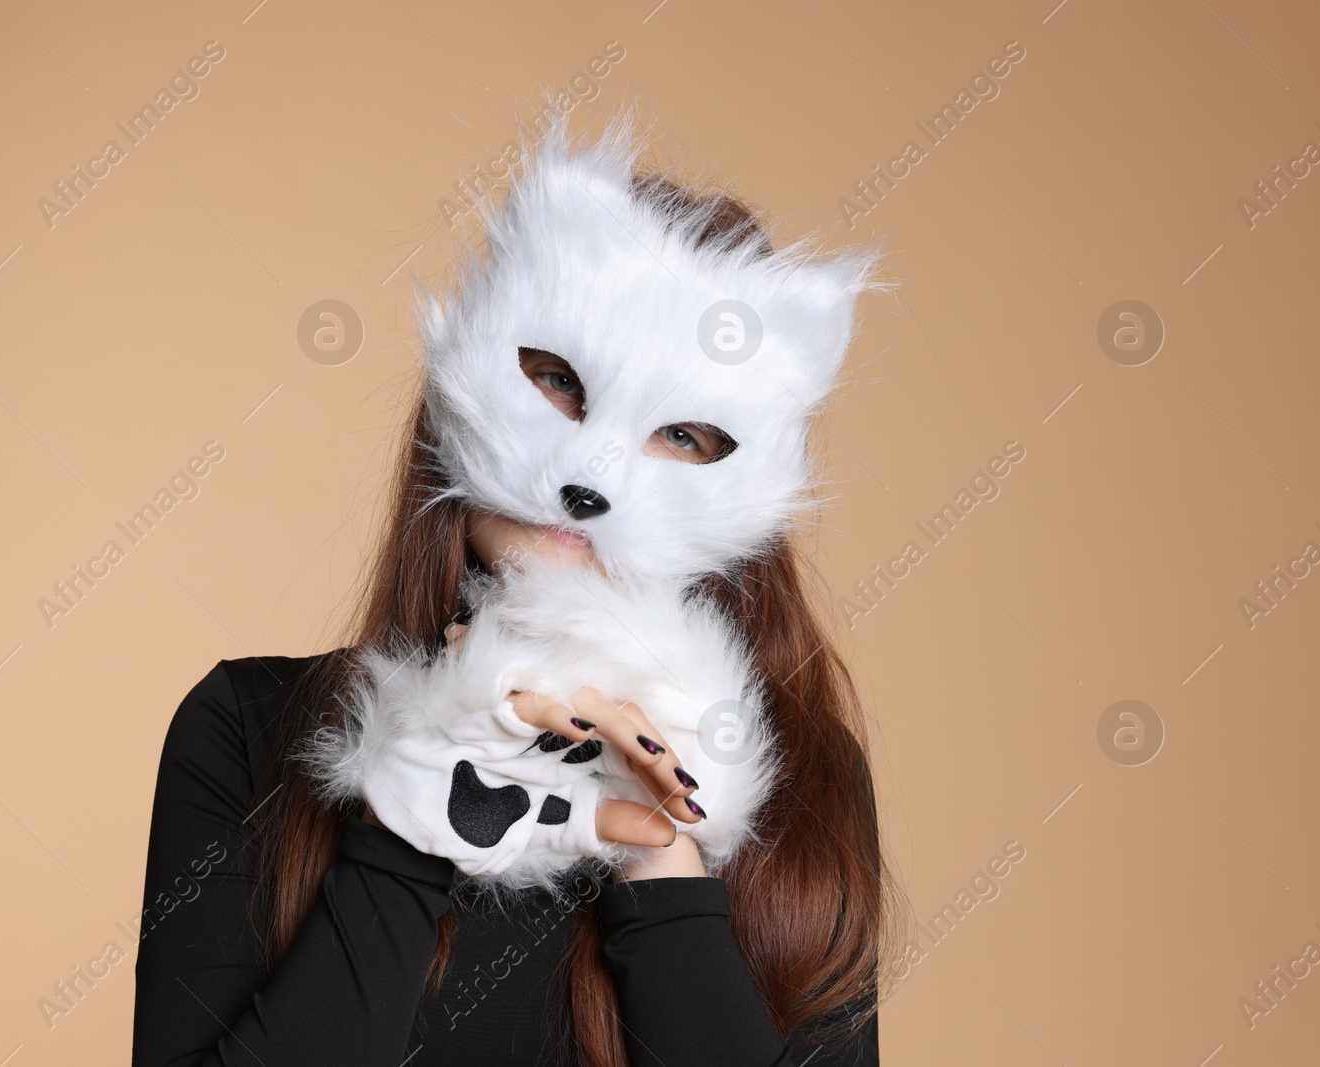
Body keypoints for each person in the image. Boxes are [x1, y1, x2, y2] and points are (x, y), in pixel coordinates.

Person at [132, 109, 895, 1066]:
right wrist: (411, 818)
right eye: (559, 381)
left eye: (685, 434)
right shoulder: (248, 727)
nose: (594, 473)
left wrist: (664, 863)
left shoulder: (807, 782)